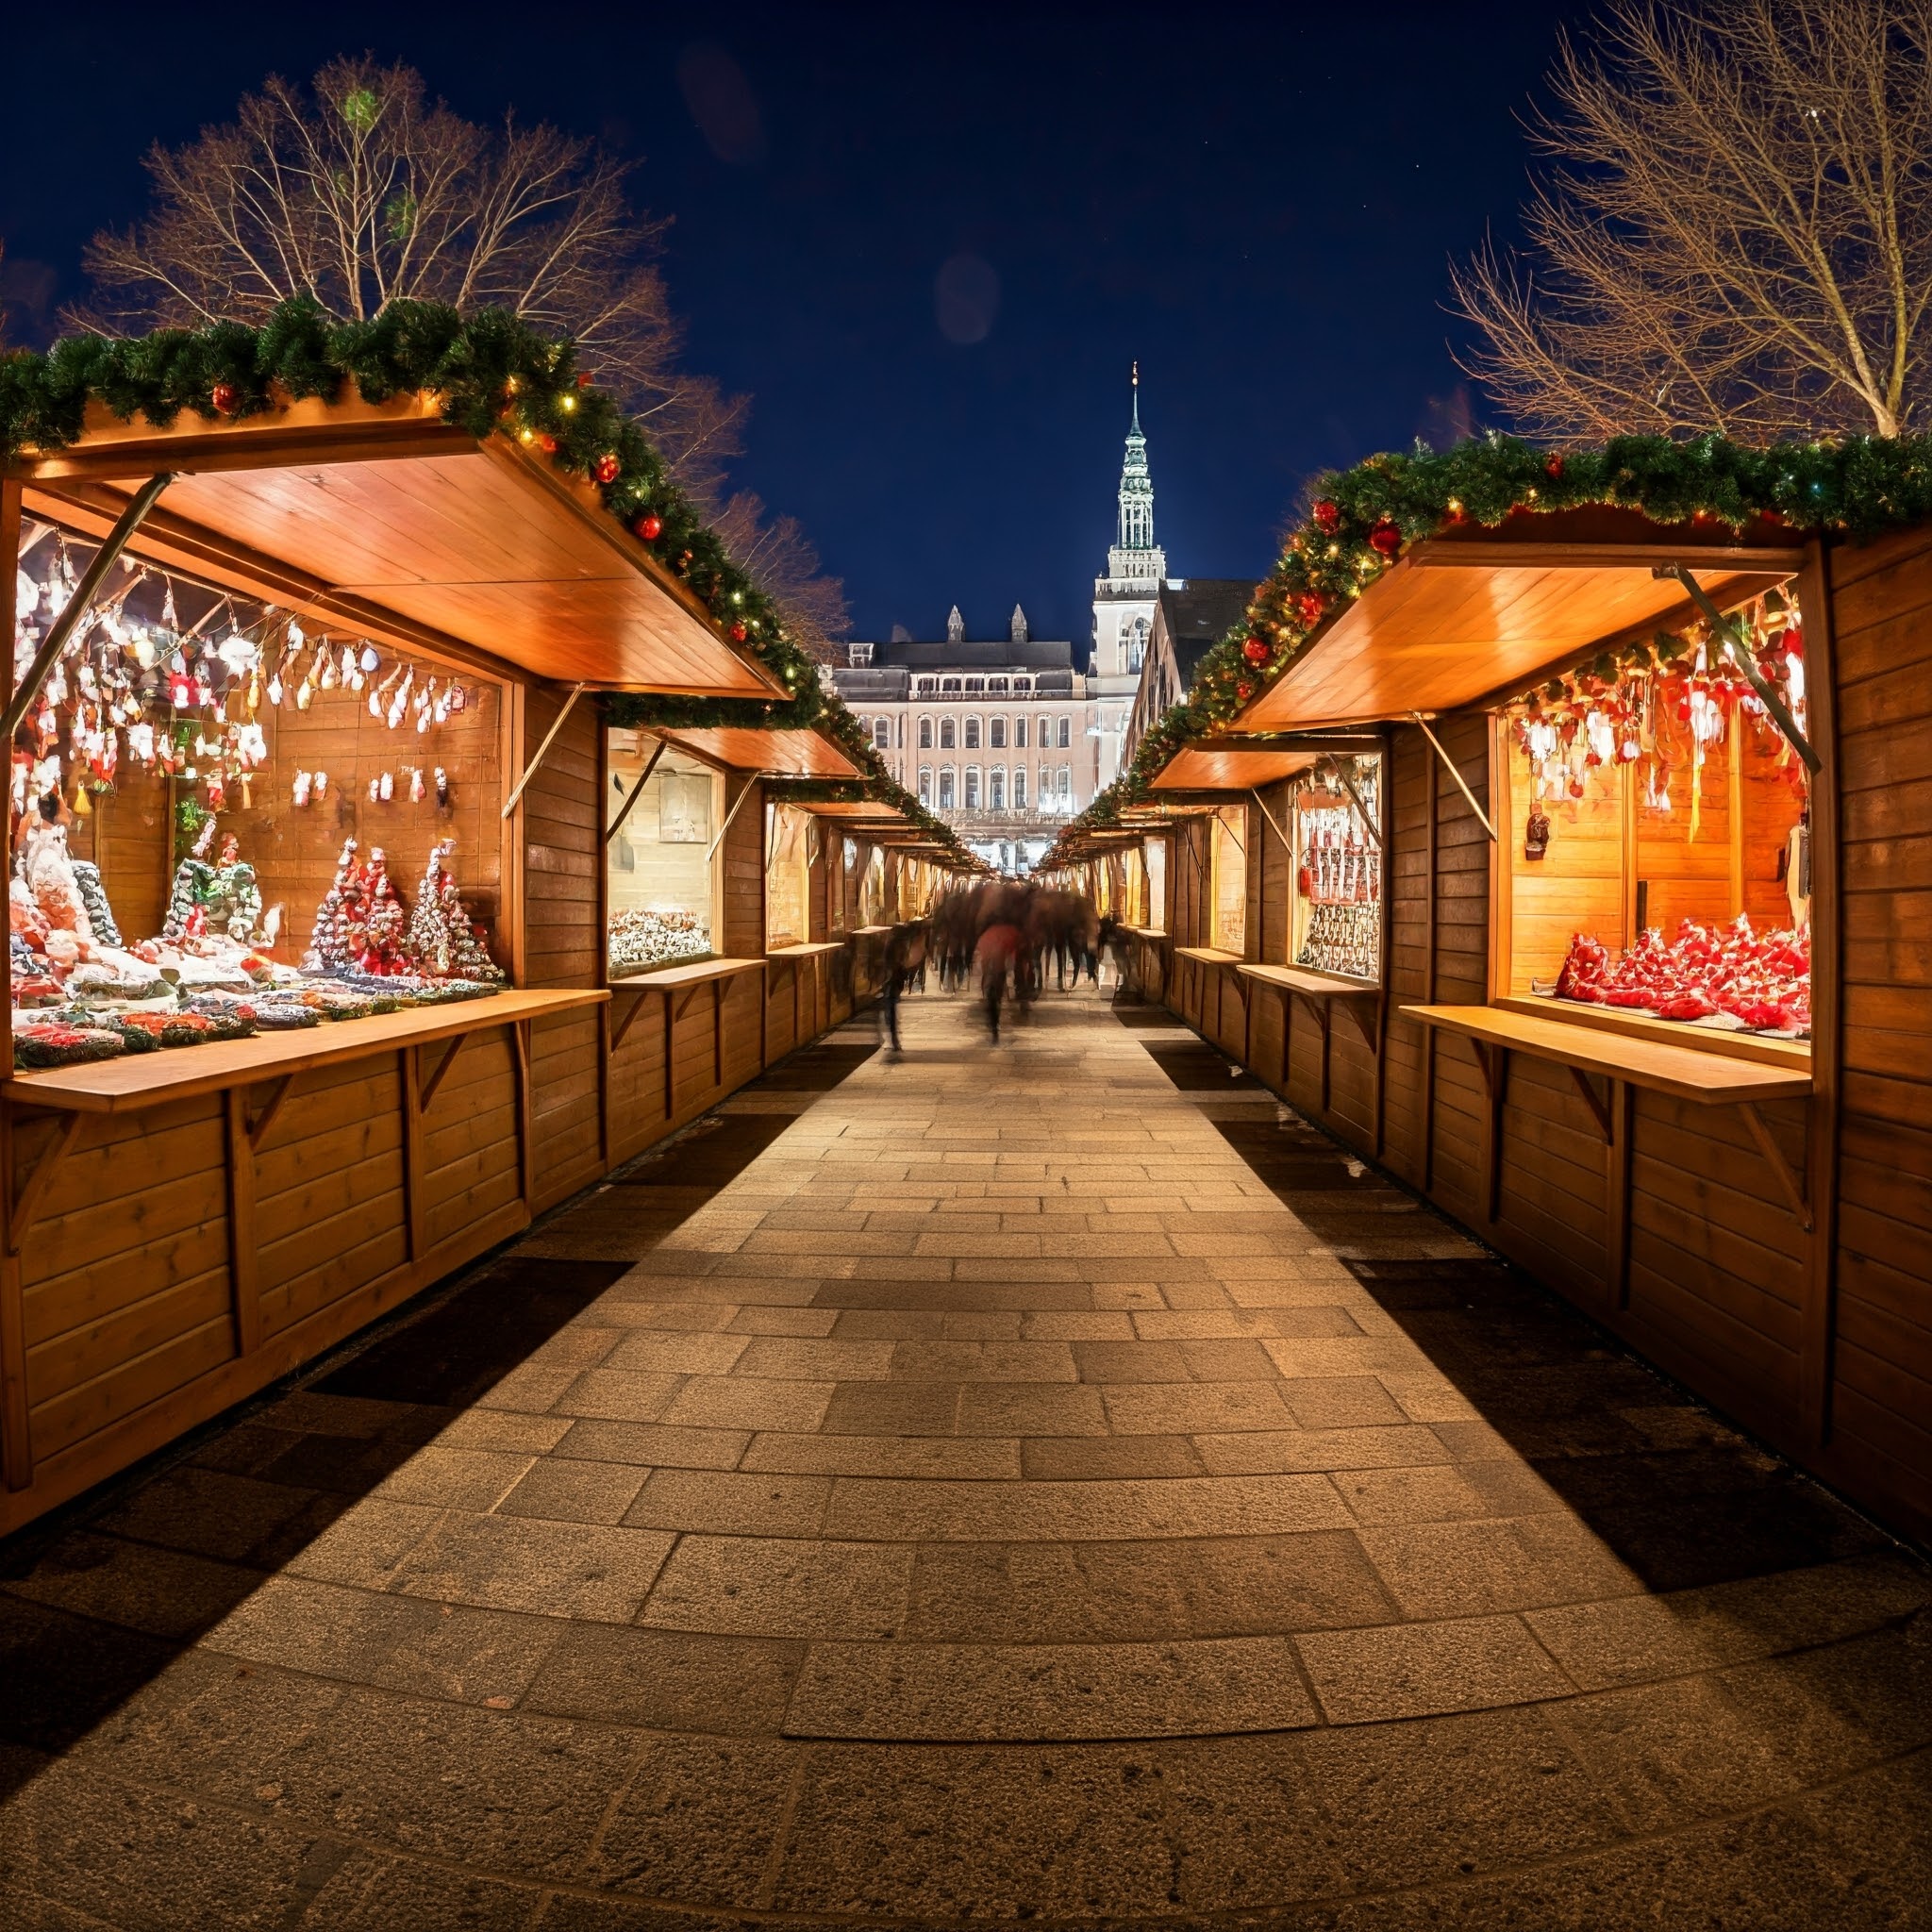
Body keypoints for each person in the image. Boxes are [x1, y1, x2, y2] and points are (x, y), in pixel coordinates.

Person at [974, 920, 1023, 1042]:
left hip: (991, 970)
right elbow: (1012, 953)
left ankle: (993, 1022)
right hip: (998, 969)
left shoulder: (987, 935)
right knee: (997, 996)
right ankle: (994, 1022)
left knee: (991, 995)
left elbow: (981, 952)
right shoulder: (1008, 932)